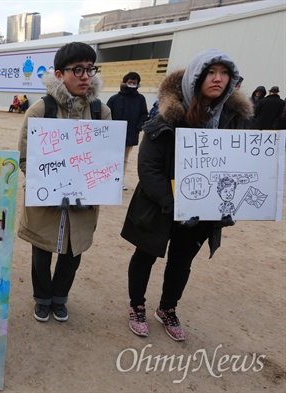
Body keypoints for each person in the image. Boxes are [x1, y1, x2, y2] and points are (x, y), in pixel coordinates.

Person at [121, 49, 253, 341]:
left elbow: (243, 165)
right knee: (145, 255)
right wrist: (172, 204)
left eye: (224, 73)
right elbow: (149, 167)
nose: (218, 78)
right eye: (211, 72)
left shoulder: (235, 120)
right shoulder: (168, 116)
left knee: (182, 261)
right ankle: (137, 305)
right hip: (160, 206)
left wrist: (229, 202)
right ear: (197, 76)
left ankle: (167, 308)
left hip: (203, 208)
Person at [17, 42, 111, 323]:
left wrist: (94, 186)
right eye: (77, 70)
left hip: (84, 202)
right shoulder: (40, 110)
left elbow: (106, 162)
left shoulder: (100, 112)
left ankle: (60, 298)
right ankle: (42, 298)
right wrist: (50, 184)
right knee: (42, 252)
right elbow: (24, 157)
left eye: (90, 69)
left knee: (73, 252)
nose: (86, 76)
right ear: (59, 74)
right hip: (45, 200)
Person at [106, 71, 148, 191]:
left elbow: (143, 114)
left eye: (134, 82)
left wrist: (138, 127)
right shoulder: (114, 99)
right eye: (129, 82)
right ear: (125, 83)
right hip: (114, 134)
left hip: (131, 134)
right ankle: (108, 178)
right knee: (112, 157)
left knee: (124, 158)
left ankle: (119, 180)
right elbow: (107, 115)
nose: (131, 84)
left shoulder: (140, 99)